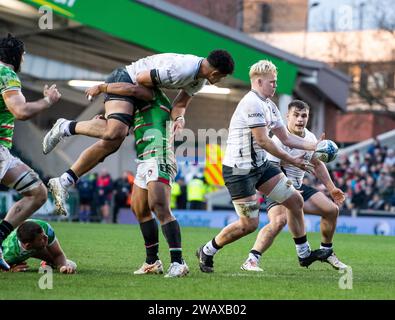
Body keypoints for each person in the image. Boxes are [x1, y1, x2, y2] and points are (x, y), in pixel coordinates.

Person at [42, 50, 234, 216]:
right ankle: (64, 126)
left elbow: (181, 104)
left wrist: (179, 119)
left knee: (111, 144)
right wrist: (103, 88)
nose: (220, 80)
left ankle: (64, 181)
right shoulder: (180, 70)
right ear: (216, 72)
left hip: (139, 90)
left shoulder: (198, 80)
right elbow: (139, 81)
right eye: (222, 77)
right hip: (125, 80)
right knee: (115, 132)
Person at [196, 60, 332, 273]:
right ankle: (207, 249)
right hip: (239, 170)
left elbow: (285, 137)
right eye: (272, 82)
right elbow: (264, 141)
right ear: (259, 82)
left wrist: (314, 145)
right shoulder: (252, 103)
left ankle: (304, 254)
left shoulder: (269, 104)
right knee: (248, 225)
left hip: (260, 166)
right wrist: (292, 159)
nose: (275, 86)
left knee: (295, 200)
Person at [240, 100, 348, 272]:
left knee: (331, 210)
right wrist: (287, 188)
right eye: (296, 115)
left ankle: (326, 251)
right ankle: (252, 259)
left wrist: (332, 189)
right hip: (277, 188)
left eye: (304, 115)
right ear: (287, 117)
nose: (300, 119)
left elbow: (317, 164)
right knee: (278, 221)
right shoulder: (277, 140)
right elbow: (272, 169)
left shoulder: (311, 138)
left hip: (298, 187)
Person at [0, 34, 61, 271]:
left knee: (36, 191)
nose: (24, 59)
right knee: (37, 193)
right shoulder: (6, 75)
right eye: (23, 55)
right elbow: (21, 111)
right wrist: (48, 101)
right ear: (16, 56)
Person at [2, 219, 76, 274]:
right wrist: (10, 269)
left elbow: (58, 254)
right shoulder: (8, 253)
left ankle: (46, 262)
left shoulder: (45, 228)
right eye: (41, 239)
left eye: (44, 235)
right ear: (28, 245)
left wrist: (63, 267)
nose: (46, 238)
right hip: (12, 251)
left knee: (71, 264)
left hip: (31, 247)